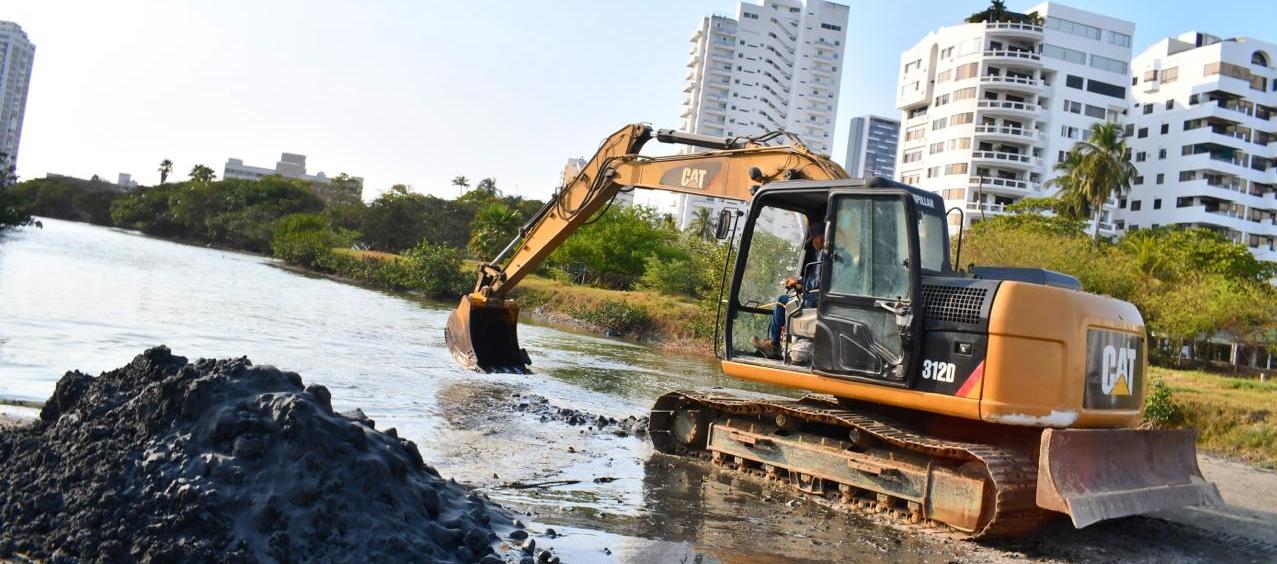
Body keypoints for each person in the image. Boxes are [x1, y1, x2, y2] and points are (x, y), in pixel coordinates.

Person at [752, 223, 824, 359]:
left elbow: (818, 283)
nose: (813, 244)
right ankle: (773, 343)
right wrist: (799, 285)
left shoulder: (823, 255)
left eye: (814, 240)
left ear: (820, 238)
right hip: (814, 296)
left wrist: (798, 281)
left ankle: (774, 344)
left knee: (781, 301)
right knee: (784, 300)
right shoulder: (822, 254)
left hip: (814, 300)